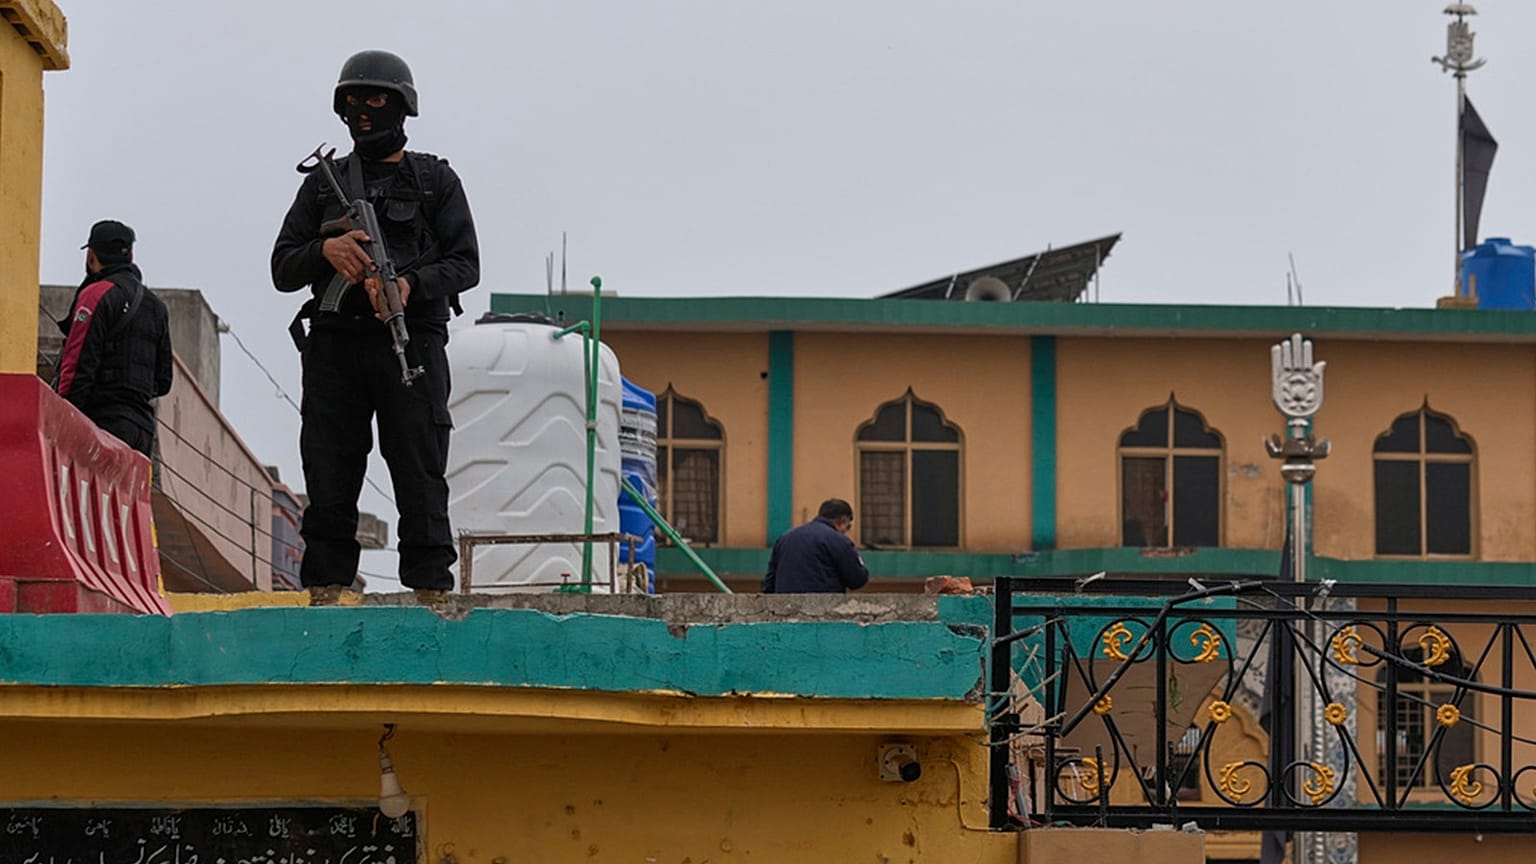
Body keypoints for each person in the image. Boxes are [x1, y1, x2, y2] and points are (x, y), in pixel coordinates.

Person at [271, 50, 480, 606]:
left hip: (410, 345)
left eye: (376, 99)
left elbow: (466, 264)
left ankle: (432, 590)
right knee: (330, 469)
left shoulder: (436, 181)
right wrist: (327, 250)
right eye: (353, 100)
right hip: (337, 344)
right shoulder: (324, 184)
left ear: (403, 106)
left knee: (418, 467)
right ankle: (325, 589)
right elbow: (282, 267)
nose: (363, 110)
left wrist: (409, 285)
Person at [54, 219, 173, 458]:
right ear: (130, 256)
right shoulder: (156, 307)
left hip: (102, 426)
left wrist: (61, 419)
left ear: (90, 256)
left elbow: (76, 368)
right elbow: (163, 380)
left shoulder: (95, 295)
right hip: (141, 433)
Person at [762, 498, 870, 594]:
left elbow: (769, 583)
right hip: (824, 611)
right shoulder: (839, 541)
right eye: (848, 526)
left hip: (785, 611)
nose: (847, 531)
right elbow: (857, 579)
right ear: (842, 521)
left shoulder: (784, 538)